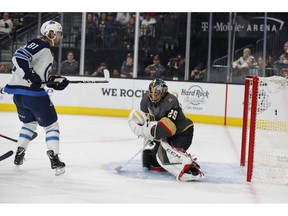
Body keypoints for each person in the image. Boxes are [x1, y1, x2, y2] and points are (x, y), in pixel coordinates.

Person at [3, 20, 69, 176]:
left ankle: (20, 152)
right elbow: (19, 56)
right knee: (52, 126)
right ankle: (54, 159)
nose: (60, 36)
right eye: (58, 33)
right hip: (33, 96)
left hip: (19, 96)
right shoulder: (41, 44)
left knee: (29, 123)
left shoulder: (43, 49)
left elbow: (39, 76)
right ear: (50, 33)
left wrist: (53, 82)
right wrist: (31, 75)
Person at [128, 79, 204, 182]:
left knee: (170, 157)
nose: (153, 97)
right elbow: (147, 121)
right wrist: (148, 132)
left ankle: (190, 166)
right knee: (153, 162)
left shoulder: (171, 101)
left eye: (157, 94)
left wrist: (148, 132)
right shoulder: (146, 100)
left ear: (163, 92)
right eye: (152, 93)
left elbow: (167, 129)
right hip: (166, 135)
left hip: (182, 133)